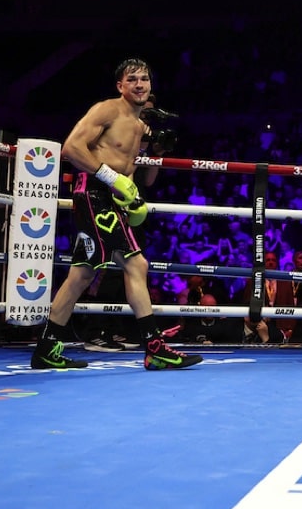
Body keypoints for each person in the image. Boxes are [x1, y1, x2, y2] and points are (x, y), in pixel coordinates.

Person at [31, 58, 202, 370]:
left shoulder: (140, 126)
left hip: (110, 199)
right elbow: (71, 148)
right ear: (120, 86)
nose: (139, 84)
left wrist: (151, 160)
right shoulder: (108, 109)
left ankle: (46, 348)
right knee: (136, 263)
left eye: (144, 79)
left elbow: (143, 177)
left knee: (81, 274)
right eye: (132, 79)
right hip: (93, 192)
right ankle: (154, 347)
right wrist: (112, 178)